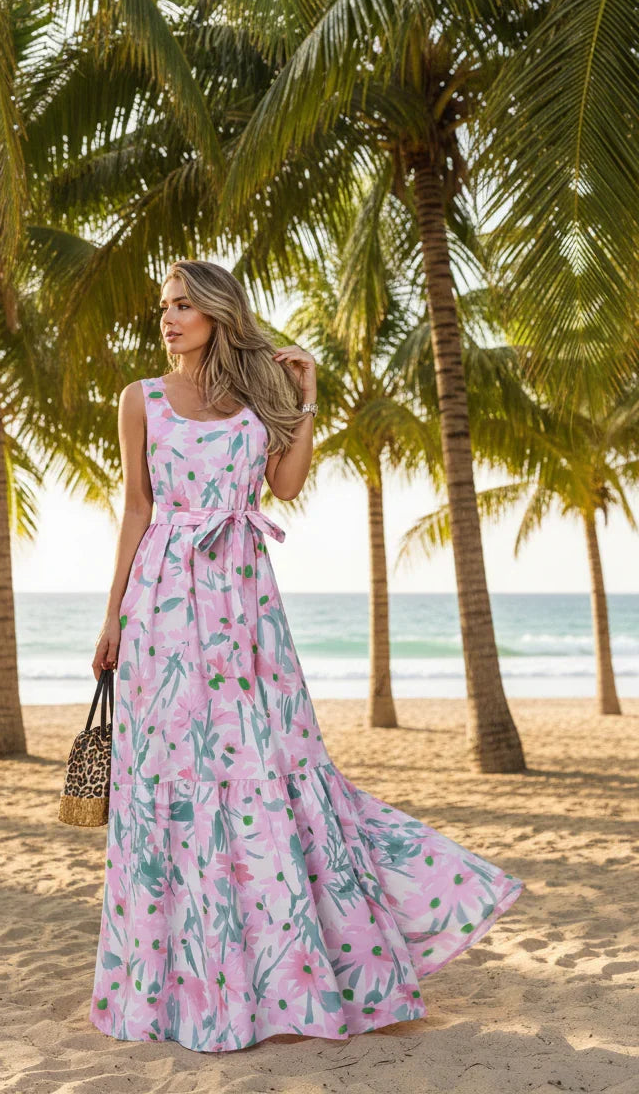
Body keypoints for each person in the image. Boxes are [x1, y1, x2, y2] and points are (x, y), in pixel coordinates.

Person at [88, 259, 524, 1053]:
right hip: (163, 607)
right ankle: (183, 985)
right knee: (174, 782)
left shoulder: (260, 398)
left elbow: (285, 486)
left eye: (185, 305)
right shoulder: (141, 400)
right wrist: (112, 616)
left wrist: (307, 395)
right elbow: (137, 506)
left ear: (220, 313)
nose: (170, 318)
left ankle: (292, 974)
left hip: (246, 606)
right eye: (164, 307)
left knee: (273, 771)